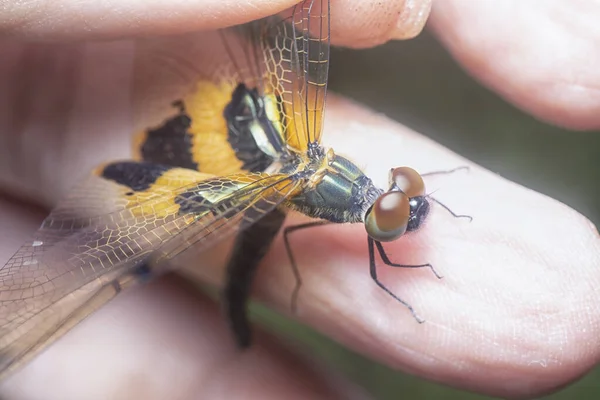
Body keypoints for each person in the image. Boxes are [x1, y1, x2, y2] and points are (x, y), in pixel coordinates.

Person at [1, 1, 599, 399]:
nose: (404, 202)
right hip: (219, 162)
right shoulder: (348, 206)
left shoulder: (347, 176)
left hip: (249, 147)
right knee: (100, 272)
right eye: (401, 199)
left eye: (400, 196)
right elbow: (316, 241)